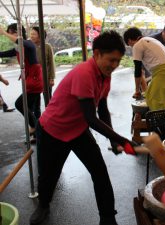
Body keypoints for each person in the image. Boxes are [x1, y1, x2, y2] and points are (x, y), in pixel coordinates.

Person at [29, 30, 136, 225]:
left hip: (77, 131)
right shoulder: (84, 73)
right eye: (111, 60)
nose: (114, 65)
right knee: (48, 176)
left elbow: (102, 110)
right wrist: (122, 139)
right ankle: (43, 205)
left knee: (100, 173)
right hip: (52, 130)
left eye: (118, 61)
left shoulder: (105, 75)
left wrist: (113, 141)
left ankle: (108, 218)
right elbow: (91, 118)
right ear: (96, 54)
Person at [123, 27, 165, 140]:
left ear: (130, 40)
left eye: (129, 45)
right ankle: (164, 140)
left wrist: (137, 90)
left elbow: (137, 71)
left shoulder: (137, 45)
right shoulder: (152, 41)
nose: (131, 47)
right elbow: (155, 67)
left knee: (153, 112)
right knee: (159, 112)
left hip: (162, 77)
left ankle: (163, 141)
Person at [0, 23, 43, 137]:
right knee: (28, 107)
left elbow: (19, 41)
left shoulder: (28, 43)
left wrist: (3, 33)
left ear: (16, 33)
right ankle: (37, 130)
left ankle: (37, 128)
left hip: (34, 81)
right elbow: (6, 53)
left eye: (10, 33)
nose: (8, 35)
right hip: (31, 81)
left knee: (20, 104)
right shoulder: (19, 47)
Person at [132, 22, 165, 98]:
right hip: (149, 75)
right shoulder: (152, 40)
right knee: (146, 99)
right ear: (164, 31)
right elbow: (141, 65)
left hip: (161, 74)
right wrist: (143, 81)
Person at [30, 26, 56, 119]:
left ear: (40, 36)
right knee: (36, 102)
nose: (31, 36)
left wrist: (52, 78)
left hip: (46, 77)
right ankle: (37, 122)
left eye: (34, 34)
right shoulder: (30, 46)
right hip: (35, 80)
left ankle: (51, 119)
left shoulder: (47, 47)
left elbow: (51, 63)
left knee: (48, 100)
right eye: (31, 34)